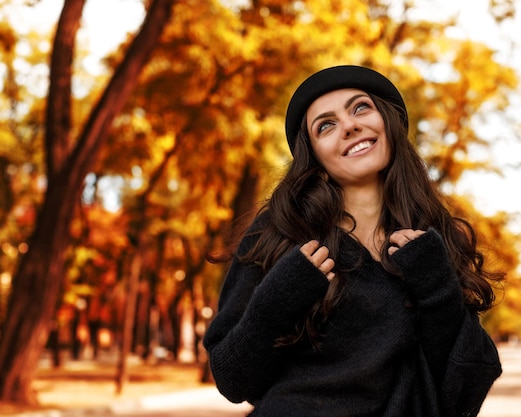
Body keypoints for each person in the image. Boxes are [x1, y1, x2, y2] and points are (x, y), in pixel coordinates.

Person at [203, 65, 504, 417]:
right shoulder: (280, 230)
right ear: (314, 155)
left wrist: (438, 291)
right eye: (326, 125)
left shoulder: (432, 238)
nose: (349, 125)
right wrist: (274, 303)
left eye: (360, 107)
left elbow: (464, 394)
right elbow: (233, 381)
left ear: (387, 123)